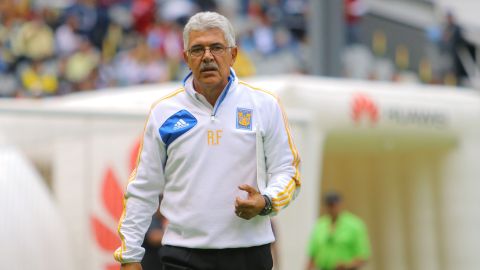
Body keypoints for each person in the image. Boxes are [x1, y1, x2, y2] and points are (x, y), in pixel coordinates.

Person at [114, 11, 301, 270]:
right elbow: (143, 188)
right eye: (197, 49)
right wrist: (130, 256)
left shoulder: (264, 105)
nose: (208, 56)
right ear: (186, 58)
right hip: (183, 255)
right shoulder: (164, 113)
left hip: (249, 254)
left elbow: (288, 172)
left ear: (233, 55)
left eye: (216, 47)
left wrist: (265, 201)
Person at [306, 191, 370, 270]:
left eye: (334, 205)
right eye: (329, 205)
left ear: (340, 204)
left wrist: (347, 265)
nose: (332, 208)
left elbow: (363, 256)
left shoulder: (355, 225)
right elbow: (312, 256)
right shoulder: (320, 225)